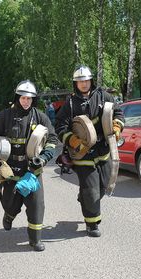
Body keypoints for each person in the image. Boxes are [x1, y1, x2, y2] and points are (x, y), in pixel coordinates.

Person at [0, 80, 58, 251]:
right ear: (17, 97)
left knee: (36, 205)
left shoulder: (40, 117)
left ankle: (35, 240)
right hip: (10, 171)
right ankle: (8, 216)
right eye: (23, 98)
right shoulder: (5, 116)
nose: (26, 101)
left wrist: (44, 158)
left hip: (32, 171)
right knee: (11, 205)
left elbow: (52, 139)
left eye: (29, 98)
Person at [55, 65, 124, 237]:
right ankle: (92, 224)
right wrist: (72, 139)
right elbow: (60, 126)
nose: (83, 84)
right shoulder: (70, 103)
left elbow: (118, 113)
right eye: (80, 81)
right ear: (75, 84)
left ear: (91, 80)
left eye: (86, 80)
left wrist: (116, 127)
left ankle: (85, 198)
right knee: (91, 189)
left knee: (106, 184)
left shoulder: (104, 96)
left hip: (103, 149)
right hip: (82, 153)